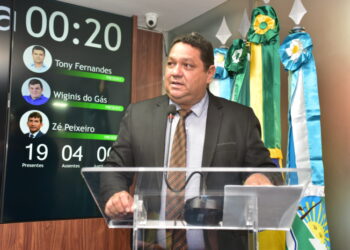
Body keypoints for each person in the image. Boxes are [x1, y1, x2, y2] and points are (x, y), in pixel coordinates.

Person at [103, 32, 279, 249]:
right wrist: (115, 193)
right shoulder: (139, 114)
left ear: (209, 73)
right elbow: (114, 167)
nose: (175, 72)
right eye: (171, 63)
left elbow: (263, 168)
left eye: (187, 65)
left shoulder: (239, 118)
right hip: (150, 244)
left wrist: (260, 177)